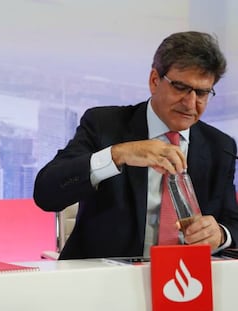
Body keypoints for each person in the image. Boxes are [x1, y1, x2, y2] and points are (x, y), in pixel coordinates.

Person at [33, 31, 238, 260]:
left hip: (186, 284)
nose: (190, 103)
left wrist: (221, 234)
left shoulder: (220, 146)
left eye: (202, 92)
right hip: (105, 280)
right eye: (180, 87)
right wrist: (118, 154)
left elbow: (232, 221)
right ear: (154, 81)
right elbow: (45, 193)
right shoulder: (104, 125)